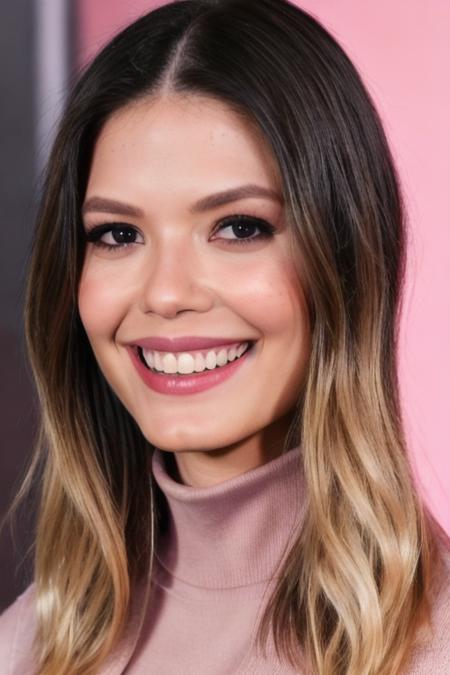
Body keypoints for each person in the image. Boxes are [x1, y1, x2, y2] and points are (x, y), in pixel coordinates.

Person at [1, 0, 449, 673]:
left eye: (239, 226)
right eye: (117, 234)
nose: (167, 293)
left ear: (348, 257)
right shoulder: (28, 644)